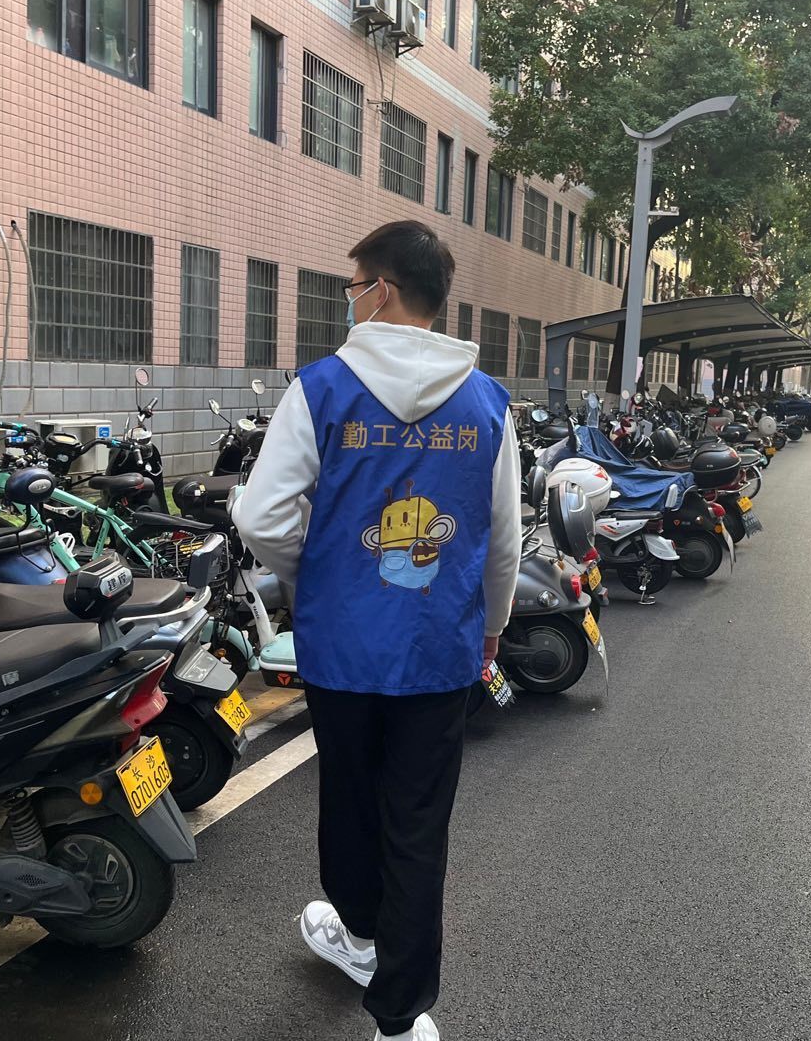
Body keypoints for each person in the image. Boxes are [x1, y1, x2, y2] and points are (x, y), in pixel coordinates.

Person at [234, 220, 522, 1041]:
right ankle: (400, 1017)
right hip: (440, 647)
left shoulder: (321, 388)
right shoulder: (486, 401)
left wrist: (318, 576)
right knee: (418, 824)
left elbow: (261, 516)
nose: (350, 298)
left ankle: (360, 932)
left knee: (350, 799)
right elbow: (503, 538)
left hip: (343, 645)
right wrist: (493, 627)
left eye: (353, 285)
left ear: (382, 291)